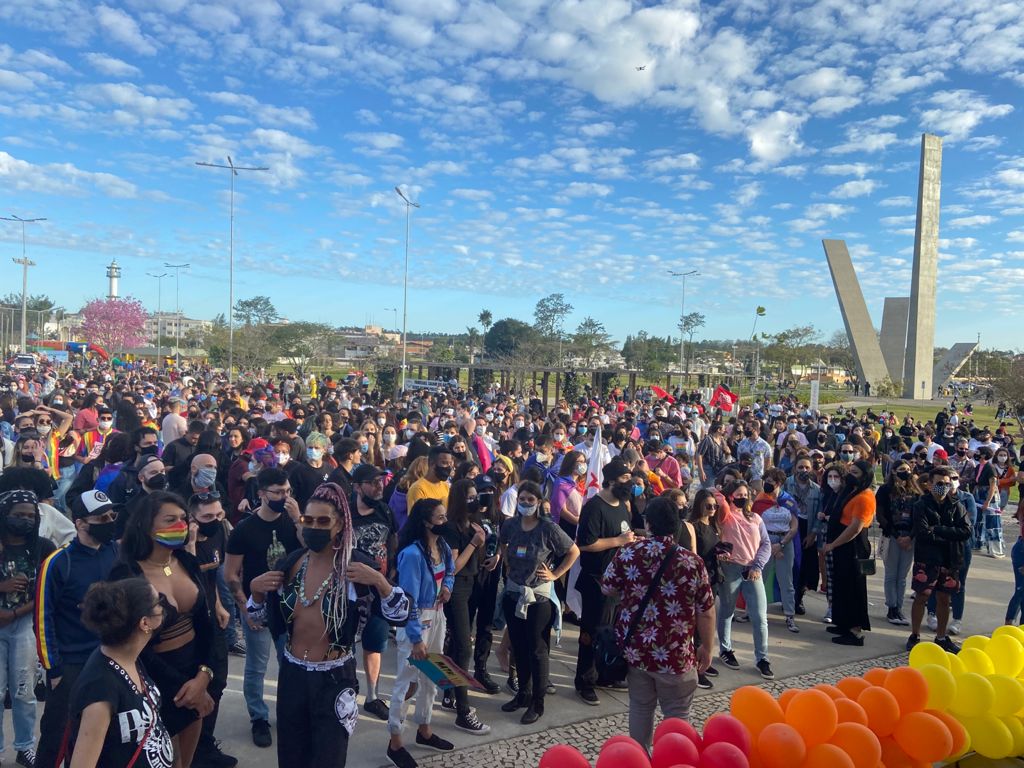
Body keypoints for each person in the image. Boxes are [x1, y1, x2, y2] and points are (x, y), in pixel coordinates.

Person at [248, 483, 410, 768]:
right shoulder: (290, 564)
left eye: (323, 521)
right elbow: (259, 620)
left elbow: (401, 614)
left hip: (334, 678)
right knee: (291, 757)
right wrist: (256, 592)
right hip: (292, 675)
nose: (314, 527)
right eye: (307, 520)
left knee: (329, 759)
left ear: (340, 525)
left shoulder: (355, 568)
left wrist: (380, 582)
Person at [108, 491, 216, 768]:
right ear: (146, 525)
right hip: (153, 680)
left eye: (183, 518)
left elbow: (206, 623)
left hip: (194, 672)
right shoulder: (126, 574)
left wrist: (204, 675)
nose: (180, 525)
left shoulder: (187, 562)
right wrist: (187, 688)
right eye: (170, 520)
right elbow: (130, 644)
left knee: (185, 763)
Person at [603, 496, 714, 750]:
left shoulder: (628, 553)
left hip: (637, 652)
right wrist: (707, 647)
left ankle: (639, 760)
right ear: (677, 525)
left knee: (640, 708)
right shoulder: (692, 562)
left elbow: (607, 587)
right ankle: (675, 760)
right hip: (676, 654)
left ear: (648, 524)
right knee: (678, 715)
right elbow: (706, 611)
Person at [34, 490, 121, 768]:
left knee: (106, 734)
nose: (110, 522)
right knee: (57, 736)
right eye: (102, 518)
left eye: (112, 516)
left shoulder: (116, 553)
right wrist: (54, 670)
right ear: (80, 523)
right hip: (71, 664)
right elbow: (42, 618)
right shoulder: (58, 563)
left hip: (111, 657)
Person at [224, 468, 300, 748]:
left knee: (290, 664)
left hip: (290, 606)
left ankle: (289, 713)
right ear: (262, 494)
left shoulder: (293, 522)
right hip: (257, 605)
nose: (284, 497)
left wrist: (298, 519)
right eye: (278, 492)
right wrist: (245, 609)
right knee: (256, 666)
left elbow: (313, 549)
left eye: (288, 491)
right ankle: (259, 717)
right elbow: (230, 574)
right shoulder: (245, 529)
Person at [67, 578, 173, 768]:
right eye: (158, 602)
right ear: (144, 622)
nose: (163, 607)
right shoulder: (100, 689)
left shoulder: (130, 658)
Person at [498, 481, 578, 724]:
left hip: (539, 597)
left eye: (530, 500)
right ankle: (523, 693)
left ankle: (537, 702)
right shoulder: (510, 524)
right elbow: (503, 542)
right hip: (513, 594)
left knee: (537, 649)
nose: (525, 503)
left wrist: (556, 574)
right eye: (521, 499)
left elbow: (573, 551)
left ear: (539, 502)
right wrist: (505, 561)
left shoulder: (548, 528)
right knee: (518, 647)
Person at [386, 499, 456, 768]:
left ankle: (424, 728)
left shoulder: (442, 546)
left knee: (432, 675)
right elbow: (409, 600)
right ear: (426, 522)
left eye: (445, 516)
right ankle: (395, 741)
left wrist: (447, 587)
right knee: (407, 681)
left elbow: (450, 571)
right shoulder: (413, 555)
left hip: (437, 614)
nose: (445, 522)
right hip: (417, 620)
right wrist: (415, 638)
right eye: (440, 518)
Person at [0, 490, 57, 768]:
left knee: (24, 690)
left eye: (30, 516)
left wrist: (14, 613)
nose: (24, 520)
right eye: (18, 515)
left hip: (24, 624)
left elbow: (49, 590)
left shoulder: (43, 548)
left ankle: (24, 747)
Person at [574, 457, 636, 705]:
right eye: (625, 478)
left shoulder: (623, 505)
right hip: (595, 580)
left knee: (610, 632)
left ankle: (604, 673)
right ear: (611, 480)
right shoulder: (594, 507)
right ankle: (584, 680)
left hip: (617, 581)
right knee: (591, 632)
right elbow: (585, 543)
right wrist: (618, 541)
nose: (629, 483)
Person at [438, 478, 501, 715]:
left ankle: (450, 692)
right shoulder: (451, 527)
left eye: (477, 496)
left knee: (459, 645)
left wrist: (494, 553)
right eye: (471, 497)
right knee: (463, 647)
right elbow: (452, 567)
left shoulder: (475, 522)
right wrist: (474, 544)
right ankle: (462, 706)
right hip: (457, 587)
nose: (476, 501)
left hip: (474, 583)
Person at [187, 492, 236, 768]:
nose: (215, 520)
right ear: (192, 518)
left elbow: (209, 578)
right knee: (195, 686)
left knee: (218, 682)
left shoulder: (219, 534)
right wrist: (191, 542)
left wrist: (218, 605)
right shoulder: (183, 542)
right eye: (207, 516)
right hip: (189, 625)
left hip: (211, 619)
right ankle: (191, 751)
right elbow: (190, 575)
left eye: (219, 514)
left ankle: (205, 744)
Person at [349, 463, 400, 721]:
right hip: (350, 590)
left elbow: (393, 538)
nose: (379, 486)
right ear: (357, 487)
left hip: (379, 588)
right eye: (373, 482)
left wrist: (392, 569)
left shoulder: (384, 510)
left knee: (375, 644)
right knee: (345, 643)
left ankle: (372, 697)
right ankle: (347, 691)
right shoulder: (345, 512)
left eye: (381, 481)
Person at [906, 466, 971, 653]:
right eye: (939, 483)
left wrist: (938, 529)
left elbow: (966, 531)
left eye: (947, 484)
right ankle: (915, 634)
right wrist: (949, 535)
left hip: (950, 560)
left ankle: (941, 637)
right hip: (927, 558)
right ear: (930, 484)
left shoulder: (957, 505)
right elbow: (923, 532)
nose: (943, 487)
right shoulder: (921, 505)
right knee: (922, 596)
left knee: (944, 598)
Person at [716, 481, 774, 679]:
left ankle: (762, 658)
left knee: (760, 616)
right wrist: (722, 494)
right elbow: (716, 496)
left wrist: (758, 566)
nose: (743, 497)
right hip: (730, 569)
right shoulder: (725, 515)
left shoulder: (756, 518)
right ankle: (725, 649)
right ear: (730, 496)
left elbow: (766, 544)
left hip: (752, 570)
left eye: (745, 494)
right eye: (738, 494)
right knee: (727, 611)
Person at [823, 459, 876, 647]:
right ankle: (844, 623)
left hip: (853, 547)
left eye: (855, 473)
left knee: (853, 588)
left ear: (865, 477)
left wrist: (833, 544)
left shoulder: (865, 497)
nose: (850, 476)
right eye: (850, 471)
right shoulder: (853, 492)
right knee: (842, 585)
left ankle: (855, 631)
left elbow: (855, 528)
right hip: (843, 547)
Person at [755, 468, 800, 633]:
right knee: (759, 578)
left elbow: (794, 527)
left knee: (786, 581)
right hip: (765, 542)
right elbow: (755, 524)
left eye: (770, 481)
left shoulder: (789, 501)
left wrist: (781, 544)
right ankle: (753, 611)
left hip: (784, 542)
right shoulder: (760, 500)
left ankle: (789, 615)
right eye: (765, 480)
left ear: (779, 483)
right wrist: (769, 545)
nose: (766, 484)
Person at [875, 460, 920, 626]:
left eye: (908, 469)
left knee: (902, 576)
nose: (906, 472)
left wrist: (910, 536)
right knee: (891, 574)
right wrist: (896, 535)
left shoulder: (915, 491)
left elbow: (919, 516)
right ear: (894, 471)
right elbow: (880, 515)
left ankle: (899, 607)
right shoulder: (885, 490)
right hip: (892, 536)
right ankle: (891, 607)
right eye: (902, 469)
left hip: (910, 538)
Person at [783, 454, 822, 615]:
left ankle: (798, 598)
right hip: (789, 526)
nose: (803, 470)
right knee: (789, 565)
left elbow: (819, 513)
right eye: (800, 467)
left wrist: (813, 534)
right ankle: (787, 599)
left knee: (804, 566)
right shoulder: (786, 484)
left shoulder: (817, 489)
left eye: (807, 467)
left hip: (807, 528)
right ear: (794, 468)